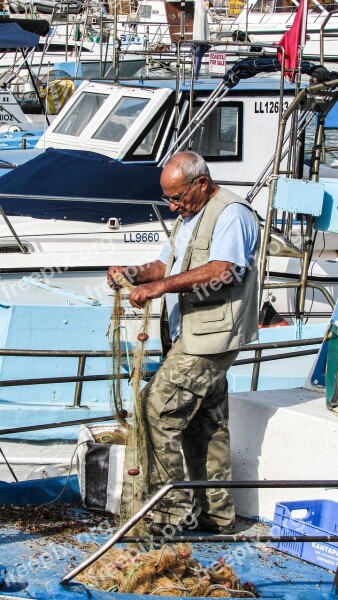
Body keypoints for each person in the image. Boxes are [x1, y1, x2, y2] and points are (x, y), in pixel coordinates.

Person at [107, 151, 260, 535]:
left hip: (210, 338)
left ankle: (168, 515)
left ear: (201, 183)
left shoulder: (232, 213)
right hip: (188, 336)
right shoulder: (188, 216)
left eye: (177, 197)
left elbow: (224, 270)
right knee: (205, 424)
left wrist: (160, 287)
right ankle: (217, 516)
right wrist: (137, 273)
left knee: (154, 410)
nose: (173, 206)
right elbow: (166, 265)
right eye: (169, 199)